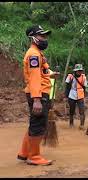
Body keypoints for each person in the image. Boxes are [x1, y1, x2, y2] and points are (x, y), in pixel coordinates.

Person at [17, 25, 59, 165]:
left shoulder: (37, 53)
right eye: (42, 36)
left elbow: (41, 72)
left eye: (45, 36)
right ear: (33, 38)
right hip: (39, 94)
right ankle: (34, 156)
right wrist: (37, 99)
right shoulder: (33, 54)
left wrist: (51, 74)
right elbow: (34, 77)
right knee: (38, 125)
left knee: (34, 123)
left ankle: (24, 153)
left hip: (39, 92)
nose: (44, 38)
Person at [64, 64, 88, 130]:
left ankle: (82, 125)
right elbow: (67, 87)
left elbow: (85, 88)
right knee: (72, 110)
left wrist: (85, 97)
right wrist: (65, 96)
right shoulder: (70, 77)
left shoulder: (83, 77)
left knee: (82, 111)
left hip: (80, 95)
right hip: (72, 94)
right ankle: (71, 124)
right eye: (78, 71)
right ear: (75, 71)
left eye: (80, 71)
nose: (79, 72)